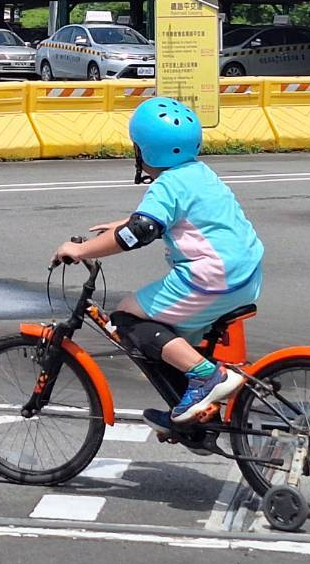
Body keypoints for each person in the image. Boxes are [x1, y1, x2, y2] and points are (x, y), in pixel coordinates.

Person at [51, 96, 264, 430]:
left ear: (146, 151)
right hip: (245, 276)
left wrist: (82, 250)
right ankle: (194, 414)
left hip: (209, 279)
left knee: (126, 316)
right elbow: (172, 218)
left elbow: (137, 233)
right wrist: (125, 222)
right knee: (168, 337)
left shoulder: (166, 184)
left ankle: (207, 377)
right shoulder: (199, 173)